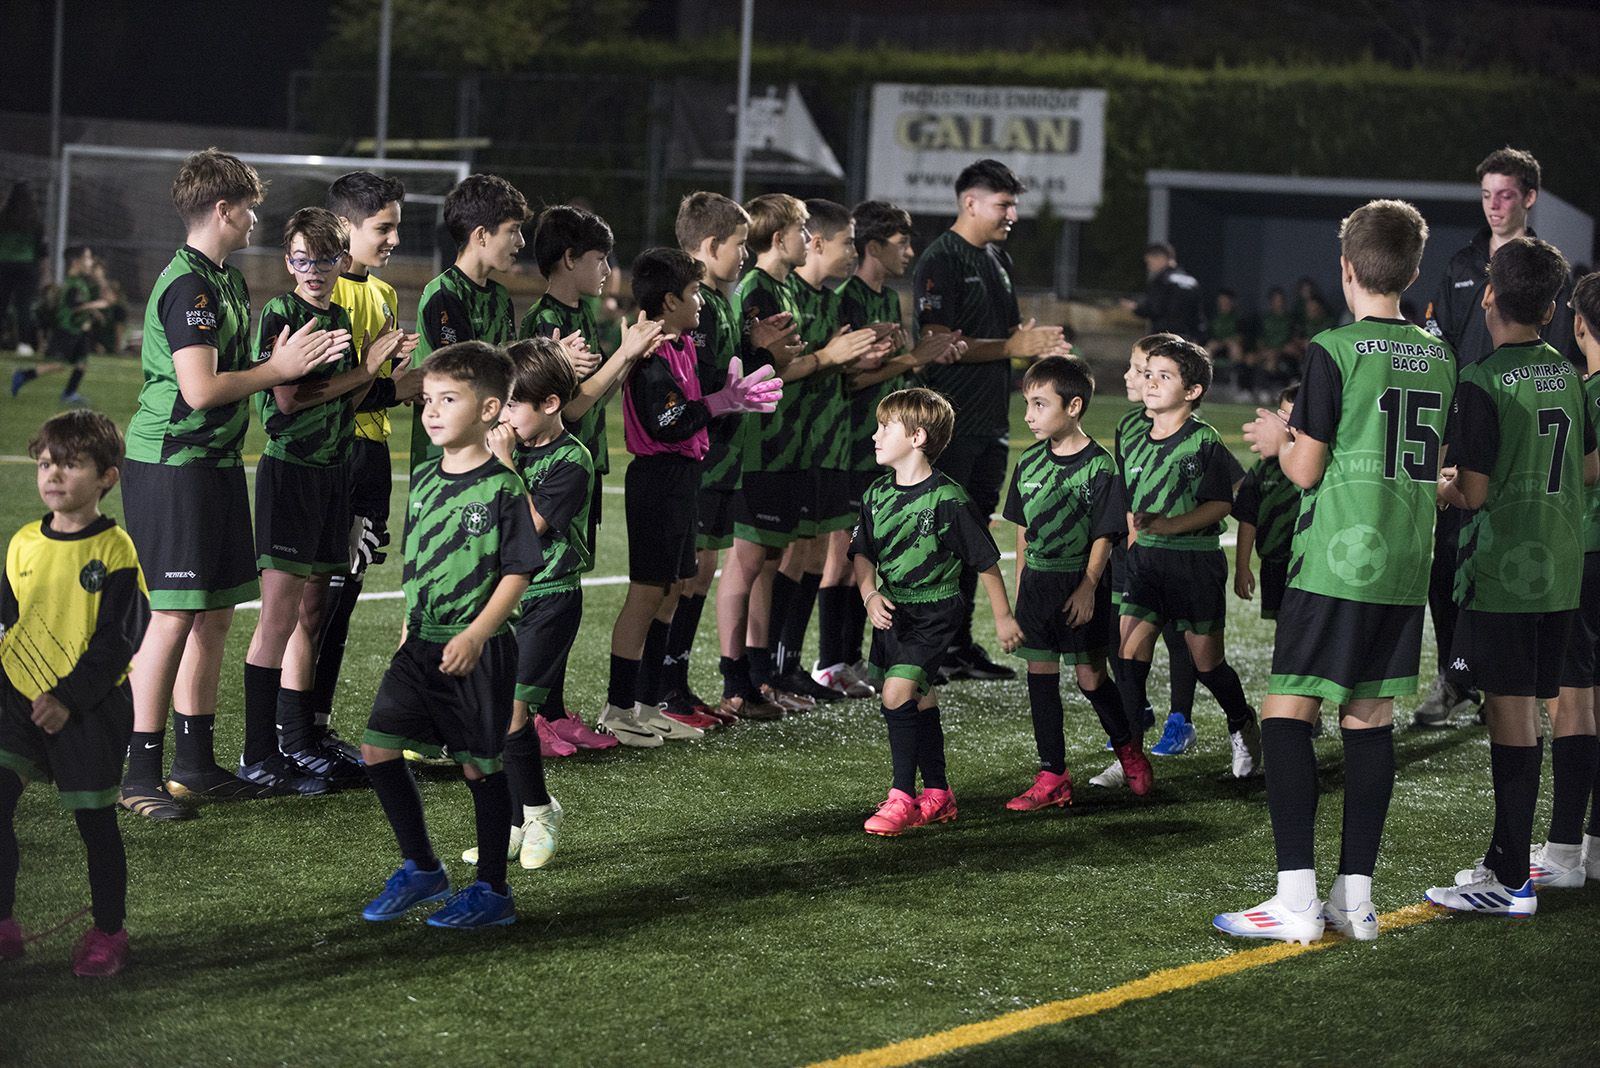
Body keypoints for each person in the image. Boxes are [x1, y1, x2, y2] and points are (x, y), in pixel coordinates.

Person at [1214, 199, 1455, 944]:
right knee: (1369, 718)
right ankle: (1356, 901)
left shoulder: (1335, 348)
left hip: (1340, 561)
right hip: (1405, 564)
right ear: (1412, 272)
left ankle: (1294, 902)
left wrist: (1277, 438)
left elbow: (1308, 469)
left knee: (1288, 714)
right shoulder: (1441, 354)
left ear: (1346, 268)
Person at [118, 149, 349, 821]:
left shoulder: (223, 281)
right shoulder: (189, 286)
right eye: (248, 208)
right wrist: (280, 368)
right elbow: (200, 388)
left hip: (214, 466)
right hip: (173, 466)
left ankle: (193, 762)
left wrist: (294, 367)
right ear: (223, 210)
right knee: (172, 616)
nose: (255, 220)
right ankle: (140, 773)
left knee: (214, 613)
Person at [1425, 237, 1596, 917]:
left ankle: (1510, 877)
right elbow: (1584, 466)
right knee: (1532, 711)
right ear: (1553, 308)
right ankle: (1510, 861)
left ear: (1489, 296)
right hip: (1560, 569)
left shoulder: (1484, 379)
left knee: (1511, 716)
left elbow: (1471, 491)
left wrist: (1437, 485)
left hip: (1503, 572)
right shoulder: (1565, 372)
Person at [358, 341, 539, 929]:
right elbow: (420, 557)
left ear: (490, 411)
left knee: (478, 767)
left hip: (476, 649)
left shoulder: (503, 488)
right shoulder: (428, 478)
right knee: (377, 747)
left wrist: (479, 634)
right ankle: (422, 868)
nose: (431, 411)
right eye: (428, 399)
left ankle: (492, 890)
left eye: (448, 399)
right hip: (422, 642)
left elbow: (518, 570)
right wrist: (412, 621)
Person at [240, 207, 414, 794]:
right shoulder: (282, 312)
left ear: (343, 261)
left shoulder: (339, 313)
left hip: (333, 476)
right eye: (299, 258)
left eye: (322, 259)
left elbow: (354, 394)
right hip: (291, 473)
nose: (310, 270)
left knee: (315, 612)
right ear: (288, 260)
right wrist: (363, 367)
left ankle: (298, 742)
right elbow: (289, 399)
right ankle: (257, 753)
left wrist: (383, 368)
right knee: (279, 616)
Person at [1416, 146, 1579, 728]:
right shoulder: (1460, 263)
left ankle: (1511, 678)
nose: (1494, 205)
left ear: (1529, 198)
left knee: (1514, 555)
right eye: (1486, 194)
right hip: (1467, 426)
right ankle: (1456, 676)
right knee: (1447, 565)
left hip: (1528, 437)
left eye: (1506, 194)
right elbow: (1439, 349)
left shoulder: (1547, 271)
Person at [596, 248, 781, 746]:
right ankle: (618, 707)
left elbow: (705, 390)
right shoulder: (650, 349)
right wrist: (721, 402)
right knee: (645, 593)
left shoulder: (678, 345)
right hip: (656, 478)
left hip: (682, 477)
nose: (700, 301)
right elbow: (668, 419)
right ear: (670, 298)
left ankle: (647, 703)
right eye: (694, 292)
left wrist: (734, 389)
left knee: (674, 587)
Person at [0, 411, 149, 976]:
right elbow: (7, 619)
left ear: (106, 477)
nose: (54, 474)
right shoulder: (22, 543)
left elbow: (120, 639)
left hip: (89, 709)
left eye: (70, 463)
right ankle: (4, 923)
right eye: (45, 463)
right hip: (18, 699)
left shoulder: (115, 551)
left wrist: (67, 697)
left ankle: (109, 931)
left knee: (94, 822)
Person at [915, 159, 1071, 683]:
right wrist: (1012, 344)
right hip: (950, 423)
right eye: (1004, 204)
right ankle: (921, 645)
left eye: (1014, 204)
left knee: (973, 535)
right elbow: (937, 344)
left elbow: (1005, 336)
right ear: (970, 203)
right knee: (936, 536)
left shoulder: (996, 259)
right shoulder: (941, 258)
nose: (1013, 214)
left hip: (991, 422)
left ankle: (957, 645)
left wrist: (1033, 345)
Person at [520, 204, 664, 739]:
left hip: (581, 471)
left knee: (569, 592)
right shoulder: (542, 324)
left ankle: (552, 712)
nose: (607, 269)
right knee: (548, 592)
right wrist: (622, 353)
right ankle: (534, 715)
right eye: (599, 258)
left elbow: (594, 394)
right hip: (550, 474)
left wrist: (630, 355)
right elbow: (572, 406)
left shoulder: (582, 314)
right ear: (568, 258)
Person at [852, 387, 1022, 835]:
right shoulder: (875, 494)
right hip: (894, 609)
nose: (874, 436)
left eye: (884, 428)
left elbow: (985, 561)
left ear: (917, 437)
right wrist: (870, 593)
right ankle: (939, 794)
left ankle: (901, 797)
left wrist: (1003, 618)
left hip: (934, 611)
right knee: (919, 695)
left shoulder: (947, 499)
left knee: (895, 694)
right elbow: (862, 553)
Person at [726, 194, 869, 713]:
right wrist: (828, 357)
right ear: (783, 235)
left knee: (792, 553)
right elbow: (762, 371)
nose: (807, 236)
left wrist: (845, 357)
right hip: (767, 446)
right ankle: (749, 673)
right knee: (754, 560)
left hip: (803, 445)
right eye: (801, 228)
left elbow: (802, 364)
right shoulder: (756, 290)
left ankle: (776, 668)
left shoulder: (786, 288)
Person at [463, 337, 600, 870]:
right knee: (497, 715)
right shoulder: (509, 448)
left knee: (515, 709)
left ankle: (540, 812)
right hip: (506, 601)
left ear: (549, 403)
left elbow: (529, 528)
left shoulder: (573, 459)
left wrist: (502, 463)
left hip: (550, 598)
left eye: (514, 403)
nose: (503, 414)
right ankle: (518, 821)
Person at [1102, 338, 1255, 795]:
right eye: (1148, 374)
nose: (1149, 382)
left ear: (1192, 391)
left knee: (1209, 667)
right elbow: (1126, 492)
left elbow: (1222, 503)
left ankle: (1242, 725)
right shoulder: (1129, 430)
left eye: (1163, 376)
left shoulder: (1203, 441)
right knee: (1129, 660)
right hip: (1144, 562)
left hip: (1195, 565)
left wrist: (1171, 525)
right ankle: (1130, 757)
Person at [826, 200, 962, 694]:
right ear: (874, 246)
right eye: (902, 242)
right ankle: (830, 661)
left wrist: (923, 358)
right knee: (842, 554)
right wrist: (909, 360)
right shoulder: (847, 299)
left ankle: (854, 659)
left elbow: (892, 368)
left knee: (870, 550)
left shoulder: (887, 298)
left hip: (888, 444)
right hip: (855, 442)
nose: (910, 251)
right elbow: (851, 376)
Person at [309, 171, 421, 752]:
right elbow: (335, 392)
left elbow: (381, 387)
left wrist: (404, 377)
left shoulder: (382, 293)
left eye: (396, 227)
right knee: (318, 600)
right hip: (337, 455)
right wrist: (403, 383)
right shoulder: (325, 293)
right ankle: (294, 727)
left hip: (372, 455)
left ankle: (318, 724)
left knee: (345, 596)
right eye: (384, 228)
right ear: (345, 228)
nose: (394, 239)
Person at [670, 191, 781, 723]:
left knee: (701, 569)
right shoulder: (697, 306)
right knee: (685, 575)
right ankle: (664, 689)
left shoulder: (719, 302)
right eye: (739, 245)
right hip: (700, 458)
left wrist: (758, 346)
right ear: (711, 246)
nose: (745, 255)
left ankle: (676, 687)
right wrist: (760, 354)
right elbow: (711, 381)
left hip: (722, 458)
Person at [771, 198, 887, 707]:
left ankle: (790, 665)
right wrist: (834, 356)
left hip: (830, 444)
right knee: (781, 556)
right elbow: (775, 370)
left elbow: (842, 371)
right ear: (815, 242)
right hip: (787, 448)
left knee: (816, 552)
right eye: (847, 242)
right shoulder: (783, 293)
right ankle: (770, 668)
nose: (853, 251)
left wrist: (868, 356)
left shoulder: (829, 298)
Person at [1002, 357, 1126, 811]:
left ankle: (1128, 749)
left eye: (1039, 404)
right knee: (1040, 675)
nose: (1029, 415)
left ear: (1074, 406)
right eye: (1027, 404)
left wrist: (1089, 586)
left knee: (1091, 677)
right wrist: (1020, 594)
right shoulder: (1029, 460)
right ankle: (1053, 774)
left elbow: (1105, 533)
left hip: (1079, 585)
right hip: (1038, 586)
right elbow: (1020, 529)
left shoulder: (1099, 467)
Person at [1528, 270, 1600, 888]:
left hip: (1585, 555)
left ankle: (1563, 851)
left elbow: (1585, 469)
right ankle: (1595, 843)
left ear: (1578, 326)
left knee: (1572, 700)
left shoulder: (1584, 391)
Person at [1105, 334, 1198, 761]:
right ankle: (1135, 711)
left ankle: (1181, 719)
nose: (1131, 376)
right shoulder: (1129, 424)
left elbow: (1227, 485)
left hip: (1173, 553)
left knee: (1180, 638)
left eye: (1140, 370)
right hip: (1130, 548)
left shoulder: (1189, 431)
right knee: (1116, 633)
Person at [407, 173, 529, 475]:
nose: (521, 242)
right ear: (481, 235)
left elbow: (508, 365)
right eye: (512, 231)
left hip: (485, 439)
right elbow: (462, 376)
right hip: (443, 452)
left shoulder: (499, 296)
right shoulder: (444, 294)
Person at [1233, 383, 1302, 629]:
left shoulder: (1323, 463)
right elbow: (1248, 517)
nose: (1288, 426)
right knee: (1283, 626)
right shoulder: (1264, 467)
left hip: (1309, 564)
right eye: (1282, 417)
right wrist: (1242, 566)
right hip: (1274, 563)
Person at [10, 245, 111, 403]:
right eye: (87, 258)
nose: (90, 262)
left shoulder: (80, 282)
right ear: (76, 262)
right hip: (68, 330)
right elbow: (75, 306)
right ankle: (23, 375)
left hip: (78, 331)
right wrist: (98, 305)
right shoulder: (73, 284)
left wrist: (93, 312)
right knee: (59, 365)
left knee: (82, 363)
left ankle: (69, 394)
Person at [1122, 242, 1206, 342]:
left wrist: (1135, 307)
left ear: (1160, 258)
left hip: (1164, 339)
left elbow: (1153, 309)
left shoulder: (1161, 280)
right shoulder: (1192, 282)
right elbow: (1199, 316)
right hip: (1187, 340)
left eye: (1149, 262)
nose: (1149, 267)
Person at [0, 180, 44, 355]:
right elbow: (41, 250)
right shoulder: (35, 221)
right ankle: (24, 343)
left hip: (3, 265)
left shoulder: (3, 218)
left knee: (1, 304)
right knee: (24, 306)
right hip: (27, 267)